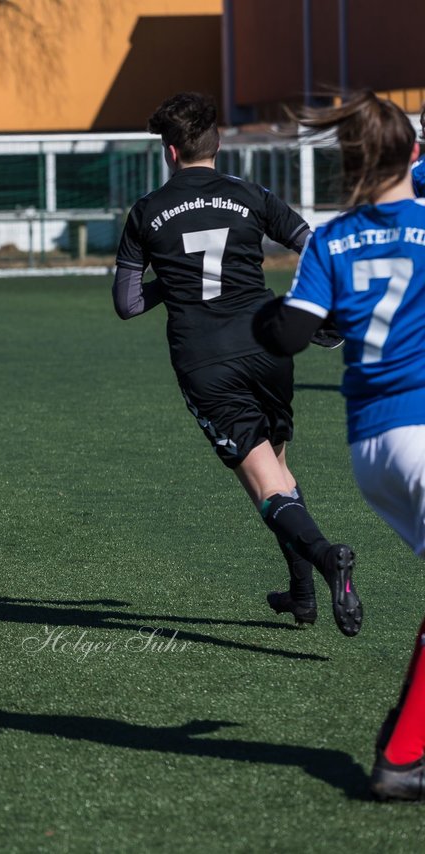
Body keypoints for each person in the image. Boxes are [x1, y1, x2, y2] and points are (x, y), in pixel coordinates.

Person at [112, 91, 360, 635]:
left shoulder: (147, 212)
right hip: (268, 344)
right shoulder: (251, 194)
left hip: (207, 360)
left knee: (265, 485)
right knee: (280, 469)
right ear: (217, 143)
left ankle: (326, 557)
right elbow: (313, 244)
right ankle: (301, 595)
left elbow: (128, 305)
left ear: (170, 152)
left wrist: (168, 278)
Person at [254, 92, 425, 803]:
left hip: (372, 447)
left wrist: (272, 319)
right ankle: (403, 750)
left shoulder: (331, 239)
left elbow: (291, 334)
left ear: (349, 164)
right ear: (416, 154)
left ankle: (408, 743)